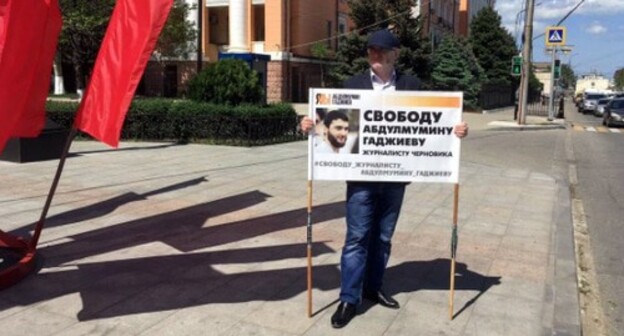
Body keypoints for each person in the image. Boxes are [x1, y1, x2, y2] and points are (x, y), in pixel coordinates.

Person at [301, 29, 469, 328]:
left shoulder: (411, 86)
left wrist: (456, 130)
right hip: (361, 178)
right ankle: (348, 298)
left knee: (383, 237)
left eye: (381, 50)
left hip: (395, 179)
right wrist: (310, 125)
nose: (374, 55)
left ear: (395, 54)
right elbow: (333, 126)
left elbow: (433, 125)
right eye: (371, 50)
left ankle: (372, 288)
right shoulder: (352, 85)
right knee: (356, 239)